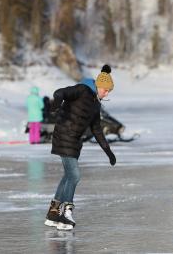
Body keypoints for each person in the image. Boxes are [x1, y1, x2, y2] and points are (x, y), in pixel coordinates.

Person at [45, 64, 117, 231]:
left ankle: (53, 213)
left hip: (74, 142)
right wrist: (56, 104)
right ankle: (66, 212)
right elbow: (60, 92)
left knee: (68, 176)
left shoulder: (95, 105)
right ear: (99, 86)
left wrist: (109, 152)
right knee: (75, 175)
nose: (106, 93)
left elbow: (97, 130)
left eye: (109, 91)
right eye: (105, 90)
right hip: (64, 135)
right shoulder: (82, 90)